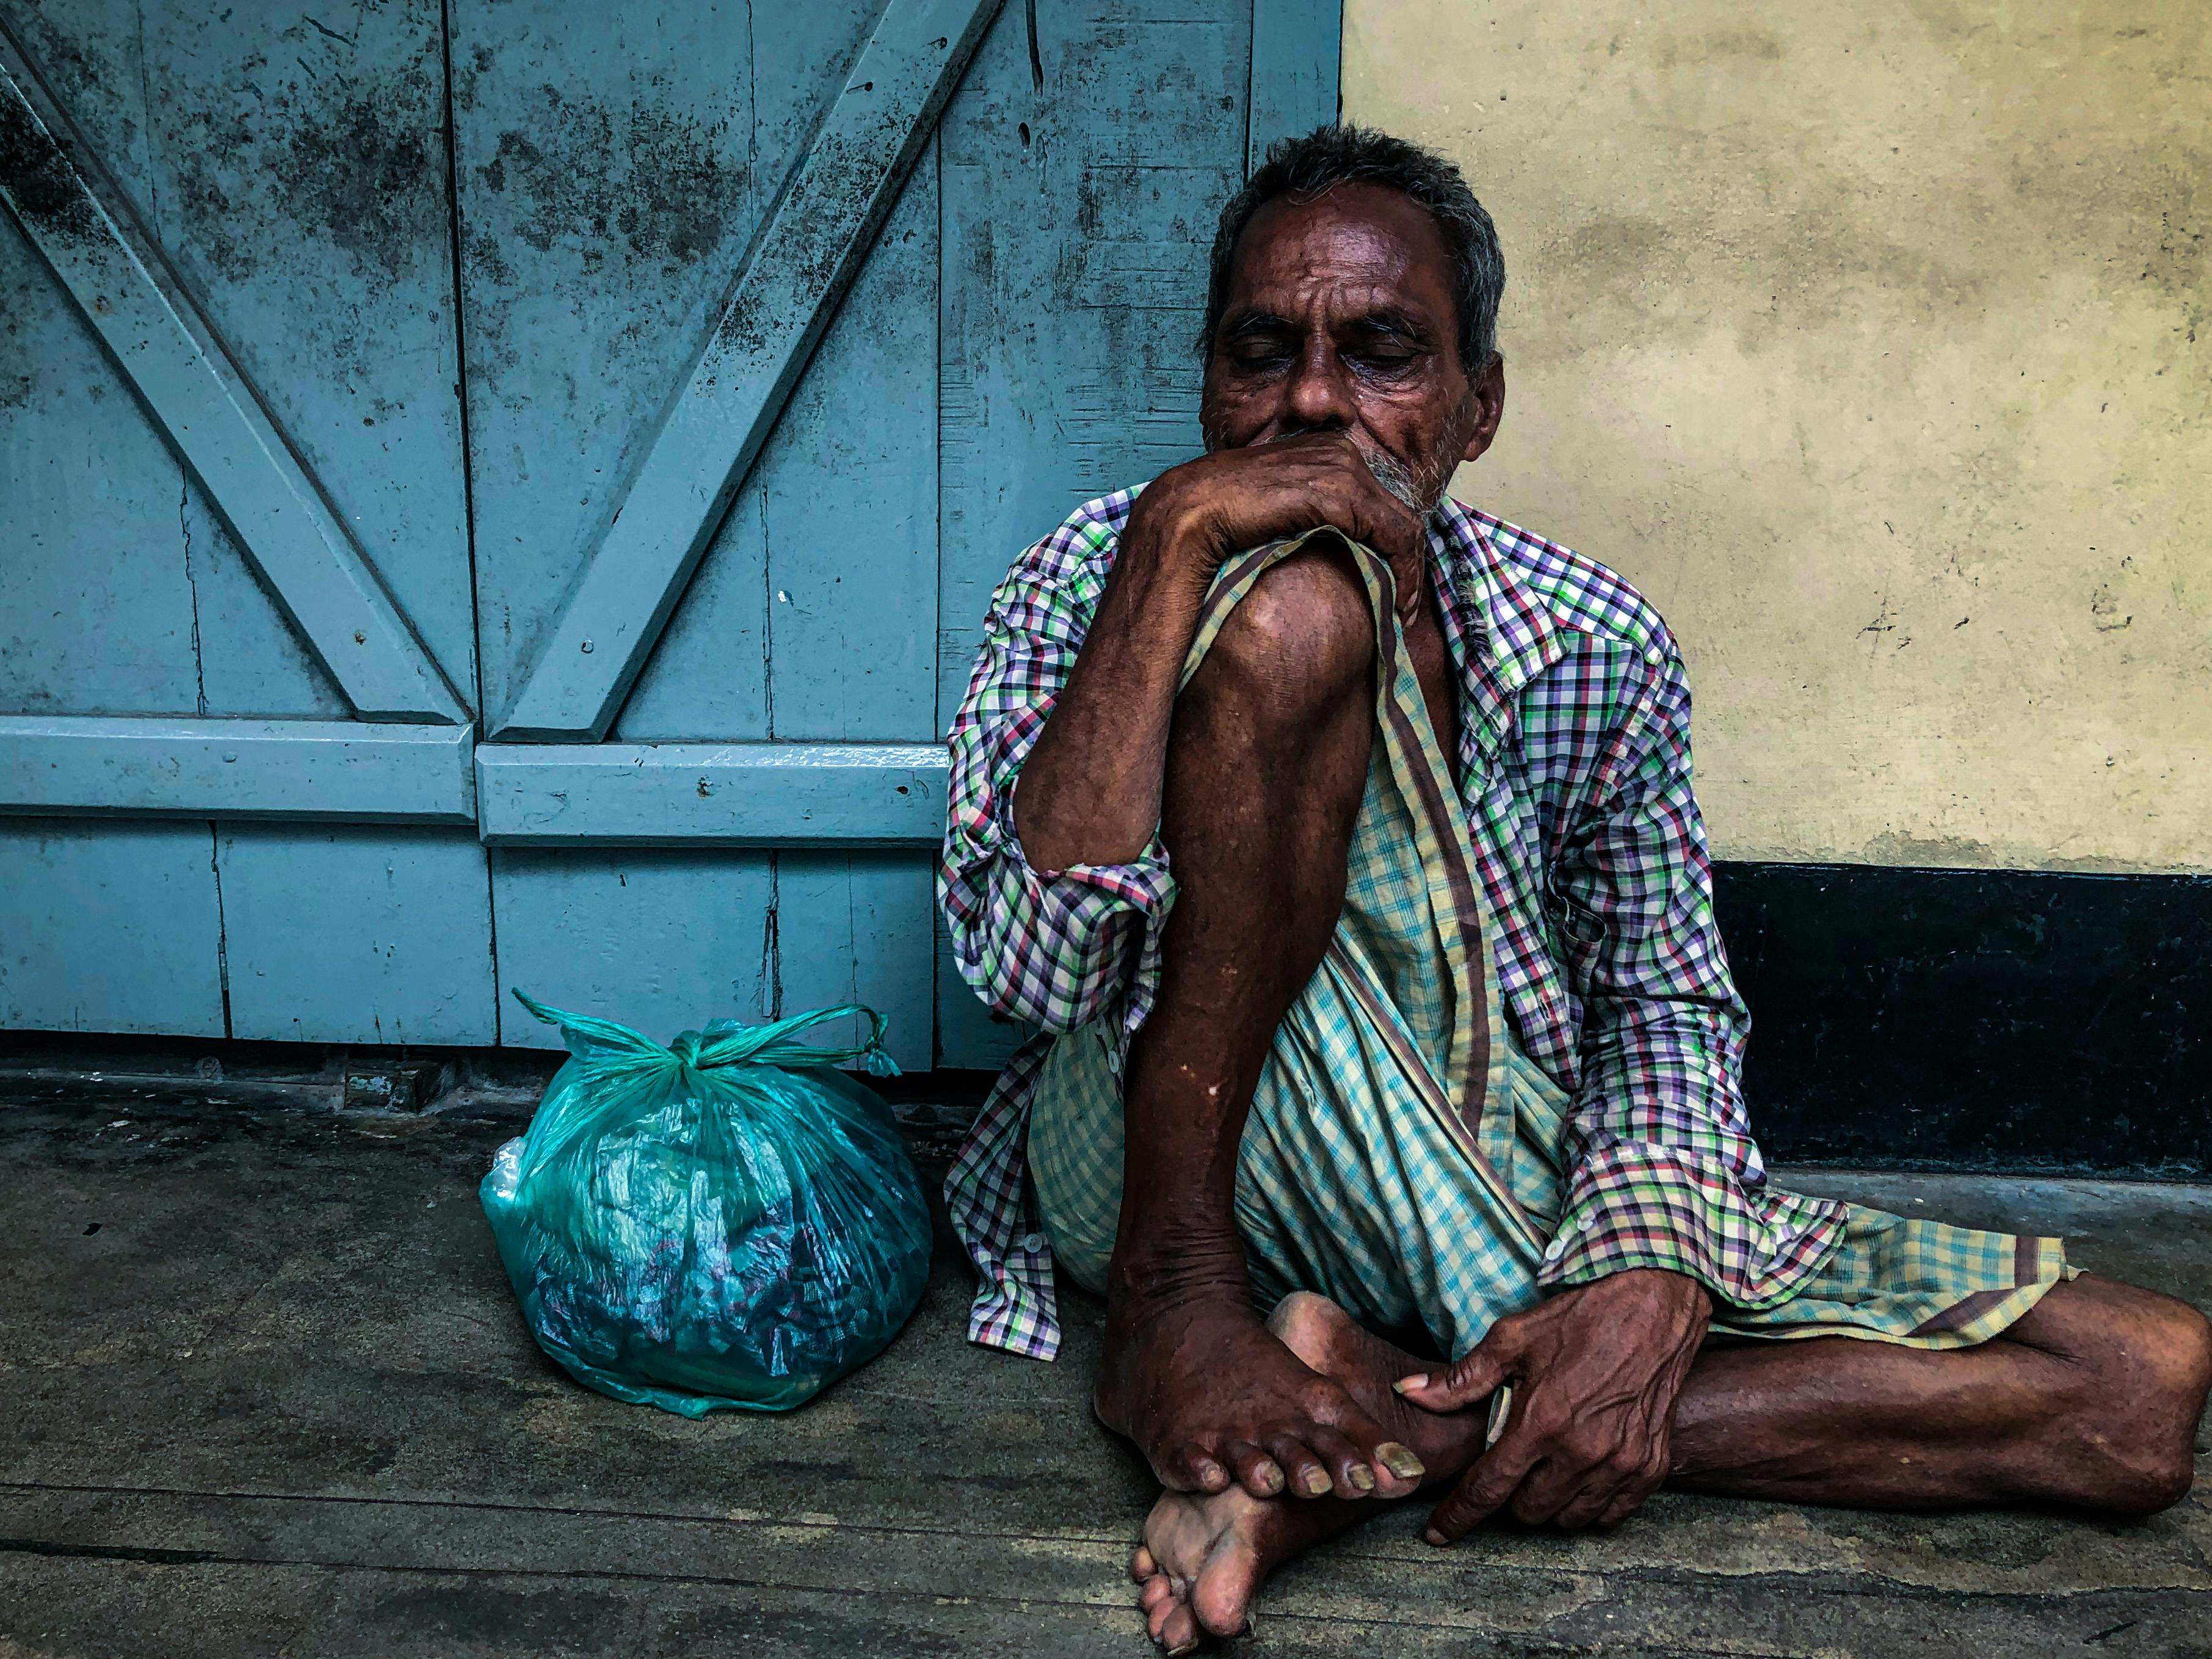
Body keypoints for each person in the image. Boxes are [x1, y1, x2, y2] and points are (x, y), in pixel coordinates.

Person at [935, 125, 2212, 1654]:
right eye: (1261, 353)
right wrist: (1173, 545)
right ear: (1208, 380)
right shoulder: (1097, 571)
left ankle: (1388, 1416)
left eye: (1387, 353)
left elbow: (1664, 999)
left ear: (1480, 407)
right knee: (1288, 621)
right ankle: (1177, 1307)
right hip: (1157, 1150)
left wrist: (1646, 1263)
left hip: (1476, 1157)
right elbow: (1025, 969)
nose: (1315, 402)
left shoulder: (1594, 642)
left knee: (2138, 1390)